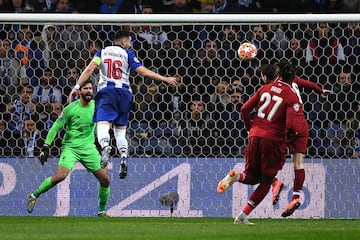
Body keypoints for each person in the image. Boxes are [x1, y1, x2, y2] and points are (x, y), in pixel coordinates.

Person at [68, 29, 179, 179]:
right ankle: (124, 158)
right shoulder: (128, 54)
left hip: (108, 91)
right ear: (123, 41)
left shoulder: (102, 52)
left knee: (102, 124)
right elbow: (144, 72)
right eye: (129, 41)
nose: (130, 44)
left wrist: (76, 87)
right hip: (125, 94)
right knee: (120, 130)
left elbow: (90, 69)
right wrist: (165, 79)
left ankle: (106, 146)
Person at [217, 61, 302, 225]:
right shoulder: (291, 96)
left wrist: (251, 129)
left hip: (254, 136)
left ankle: (235, 177)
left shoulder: (264, 88)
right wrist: (290, 139)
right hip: (272, 140)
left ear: (277, 74)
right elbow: (291, 126)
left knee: (251, 177)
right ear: (293, 78)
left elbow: (243, 109)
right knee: (267, 180)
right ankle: (242, 216)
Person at [26, 80, 111, 217]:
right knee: (60, 176)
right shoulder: (70, 109)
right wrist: (46, 146)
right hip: (71, 148)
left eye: (90, 88)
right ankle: (33, 195)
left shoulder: (97, 107)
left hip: (89, 148)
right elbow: (56, 127)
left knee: (105, 179)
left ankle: (101, 211)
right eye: (85, 88)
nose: (89, 91)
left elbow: (105, 123)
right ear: (79, 91)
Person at [258, 63, 333, 217]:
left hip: (286, 125)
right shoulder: (293, 80)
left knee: (262, 154)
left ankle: (275, 183)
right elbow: (309, 84)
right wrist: (320, 91)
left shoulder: (276, 86)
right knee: (298, 163)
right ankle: (296, 196)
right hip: (302, 125)